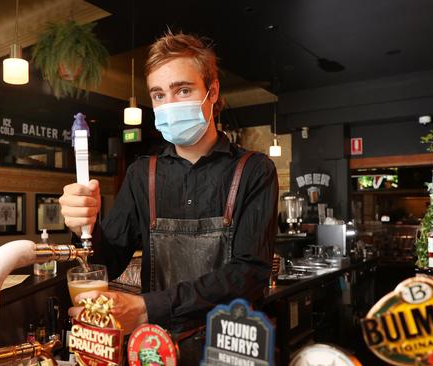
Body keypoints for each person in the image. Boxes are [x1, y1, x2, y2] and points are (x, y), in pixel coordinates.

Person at [60, 31, 278, 360]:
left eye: (183, 90)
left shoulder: (254, 170)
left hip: (232, 347)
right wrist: (84, 228)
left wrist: (150, 307)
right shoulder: (141, 174)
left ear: (212, 91)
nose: (170, 105)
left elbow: (249, 275)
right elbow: (109, 261)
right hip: (157, 350)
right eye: (159, 95)